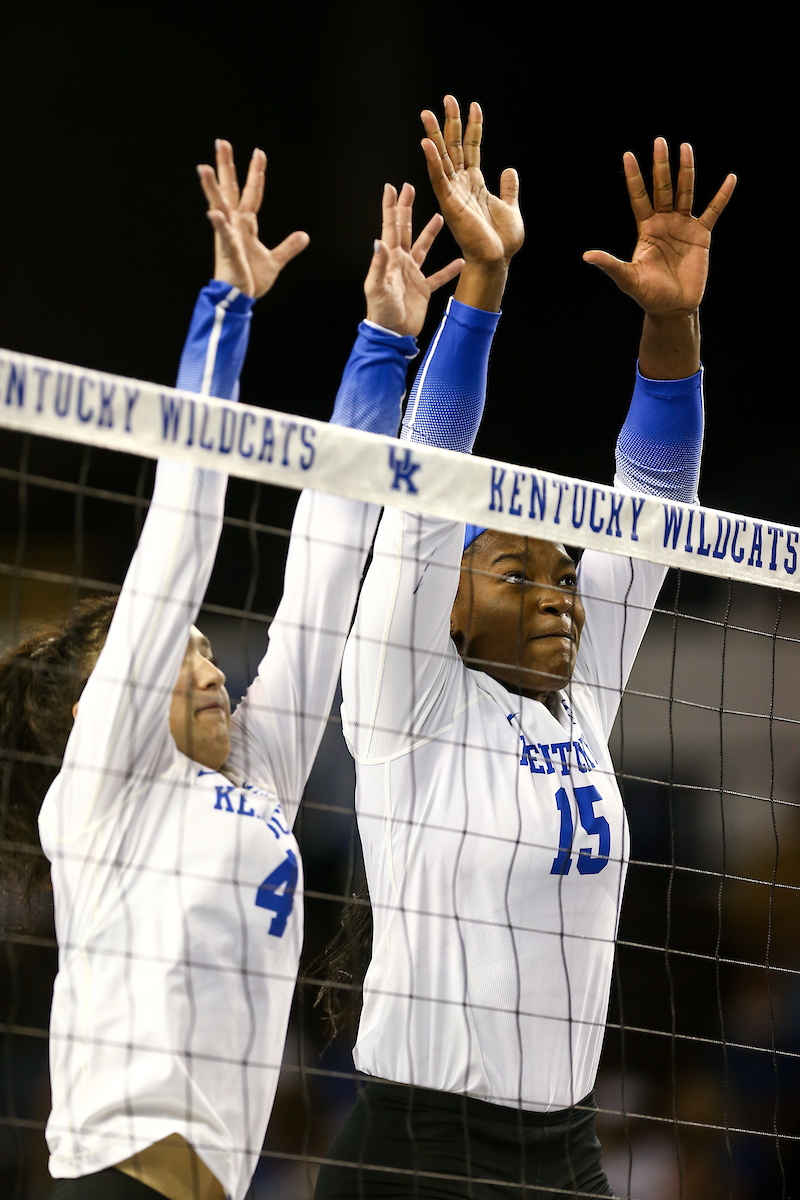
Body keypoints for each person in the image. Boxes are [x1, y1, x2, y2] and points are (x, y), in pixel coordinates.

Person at [0, 141, 462, 1200]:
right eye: (182, 656)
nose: (209, 669)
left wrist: (383, 345)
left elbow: (324, 580)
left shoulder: (253, 783)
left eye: (211, 651)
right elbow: (182, 532)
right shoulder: (106, 792)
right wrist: (227, 308)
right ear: (97, 700)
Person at [314, 98, 736, 1198]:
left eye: (562, 576)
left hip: (563, 1153)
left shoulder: (575, 697)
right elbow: (426, 476)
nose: (560, 597)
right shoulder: (406, 700)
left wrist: (670, 332)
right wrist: (482, 295)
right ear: (447, 605)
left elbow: (652, 500)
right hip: (419, 1153)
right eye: (517, 573)